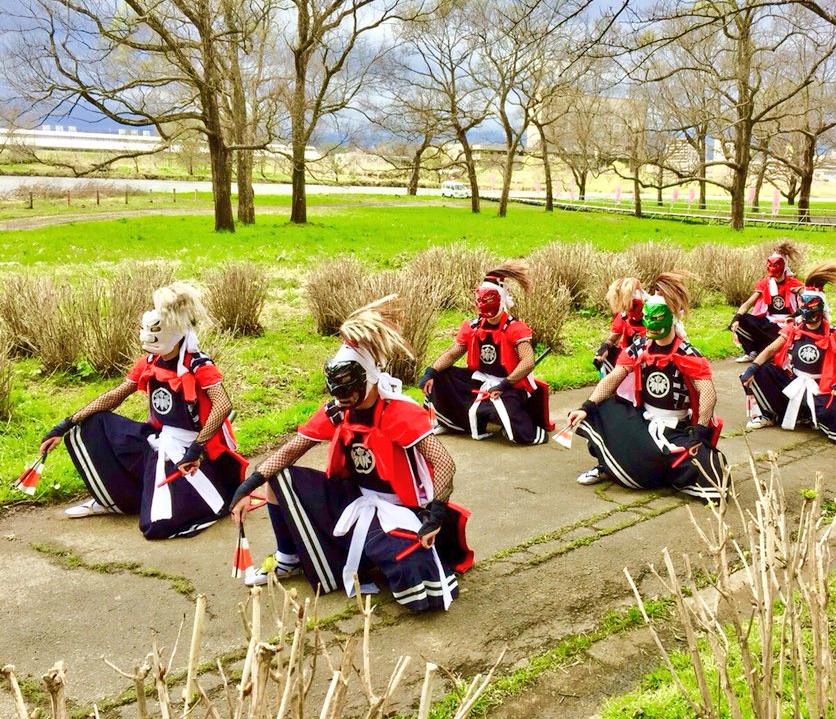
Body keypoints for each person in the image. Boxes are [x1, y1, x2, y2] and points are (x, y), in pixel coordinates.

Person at [230, 296, 472, 612]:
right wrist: (247, 486)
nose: (342, 397)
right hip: (353, 501)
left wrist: (435, 515)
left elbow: (443, 462)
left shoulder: (399, 412)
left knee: (416, 584)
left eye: (348, 389)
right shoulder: (337, 411)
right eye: (337, 390)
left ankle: (371, 555)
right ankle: (288, 558)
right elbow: (291, 450)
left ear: (367, 378)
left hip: (398, 510)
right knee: (279, 478)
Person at [39, 283, 245, 539]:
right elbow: (116, 395)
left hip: (190, 451)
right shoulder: (150, 361)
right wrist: (64, 425)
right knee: (93, 424)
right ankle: (117, 498)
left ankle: (198, 494)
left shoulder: (198, 364)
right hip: (156, 438)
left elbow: (223, 405)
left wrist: (196, 449)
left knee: (157, 526)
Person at [566, 272, 727, 503]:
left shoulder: (688, 353)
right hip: (643, 419)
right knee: (599, 410)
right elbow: (614, 377)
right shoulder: (640, 347)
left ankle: (657, 469)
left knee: (709, 468)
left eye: (656, 317)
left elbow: (707, 392)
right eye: (646, 317)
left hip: (675, 427)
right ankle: (607, 465)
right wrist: (586, 406)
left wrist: (700, 431)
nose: (650, 322)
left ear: (671, 317)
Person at [420, 261, 552, 445]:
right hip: (481, 379)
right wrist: (431, 372)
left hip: (511, 385)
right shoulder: (473, 326)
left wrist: (504, 385)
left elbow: (528, 362)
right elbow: (453, 353)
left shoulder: (515, 328)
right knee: (441, 376)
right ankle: (453, 423)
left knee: (507, 416)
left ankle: (511, 421)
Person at [739, 263, 836, 443]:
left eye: (811, 307)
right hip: (795, 381)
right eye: (803, 306)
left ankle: (807, 414)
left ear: (820, 309)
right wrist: (752, 368)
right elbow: (771, 349)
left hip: (821, 386)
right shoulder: (794, 328)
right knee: (760, 371)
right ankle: (770, 414)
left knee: (831, 420)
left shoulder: (833, 332)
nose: (806, 312)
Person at [730, 240, 804, 362]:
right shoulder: (765, 283)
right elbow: (748, 303)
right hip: (769, 322)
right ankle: (752, 352)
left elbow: (808, 302)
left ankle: (775, 351)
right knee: (742, 320)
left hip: (788, 323)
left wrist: (793, 315)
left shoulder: (794, 284)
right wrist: (736, 318)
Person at [593, 277, 646, 377]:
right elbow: (612, 338)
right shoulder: (623, 316)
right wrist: (603, 348)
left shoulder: (652, 313)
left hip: (648, 358)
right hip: (627, 358)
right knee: (605, 358)